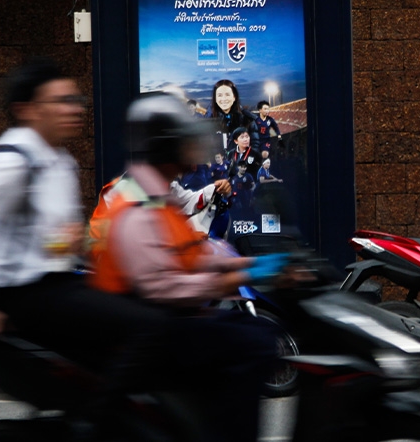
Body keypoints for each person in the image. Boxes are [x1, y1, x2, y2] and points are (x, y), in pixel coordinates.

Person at [0, 58, 167, 371]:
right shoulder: (13, 161)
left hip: (56, 285)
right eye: (62, 101)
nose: (76, 109)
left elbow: (51, 243)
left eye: (77, 100)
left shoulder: (60, 159)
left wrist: (69, 245)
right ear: (26, 110)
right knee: (149, 327)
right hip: (21, 297)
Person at [89, 93, 287, 442]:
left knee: (249, 332)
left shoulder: (158, 189)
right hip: (151, 325)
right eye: (184, 138)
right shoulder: (133, 200)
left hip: (166, 317)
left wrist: (250, 264)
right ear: (165, 145)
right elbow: (163, 285)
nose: (192, 147)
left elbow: (191, 238)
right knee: (253, 341)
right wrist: (238, 276)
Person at [208, 79, 255, 151]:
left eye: (227, 94)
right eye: (219, 95)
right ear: (215, 99)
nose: (224, 99)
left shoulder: (248, 120)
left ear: (234, 97)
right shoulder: (208, 121)